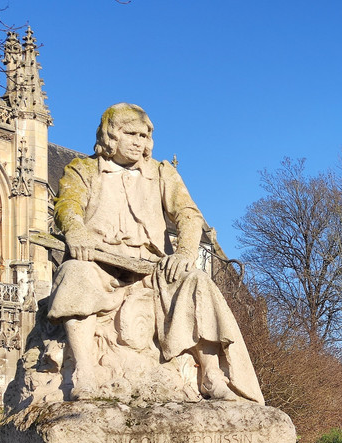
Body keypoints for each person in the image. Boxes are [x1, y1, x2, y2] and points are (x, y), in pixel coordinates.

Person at [49, 103, 263, 404]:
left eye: (145, 135)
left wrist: (185, 252)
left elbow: (189, 216)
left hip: (153, 270)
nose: (140, 141)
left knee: (197, 282)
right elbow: (67, 206)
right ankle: (85, 372)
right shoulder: (82, 170)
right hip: (101, 265)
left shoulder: (162, 173)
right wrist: (75, 231)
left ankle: (211, 374)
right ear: (111, 136)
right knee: (75, 273)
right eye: (131, 134)